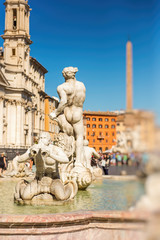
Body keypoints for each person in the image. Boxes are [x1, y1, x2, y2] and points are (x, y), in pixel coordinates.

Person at [49, 67, 86, 167]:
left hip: (67, 113)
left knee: (66, 135)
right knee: (79, 137)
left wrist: (55, 113)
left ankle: (65, 159)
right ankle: (78, 161)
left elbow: (64, 102)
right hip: (78, 113)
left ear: (64, 75)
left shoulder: (61, 87)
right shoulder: (81, 85)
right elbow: (82, 100)